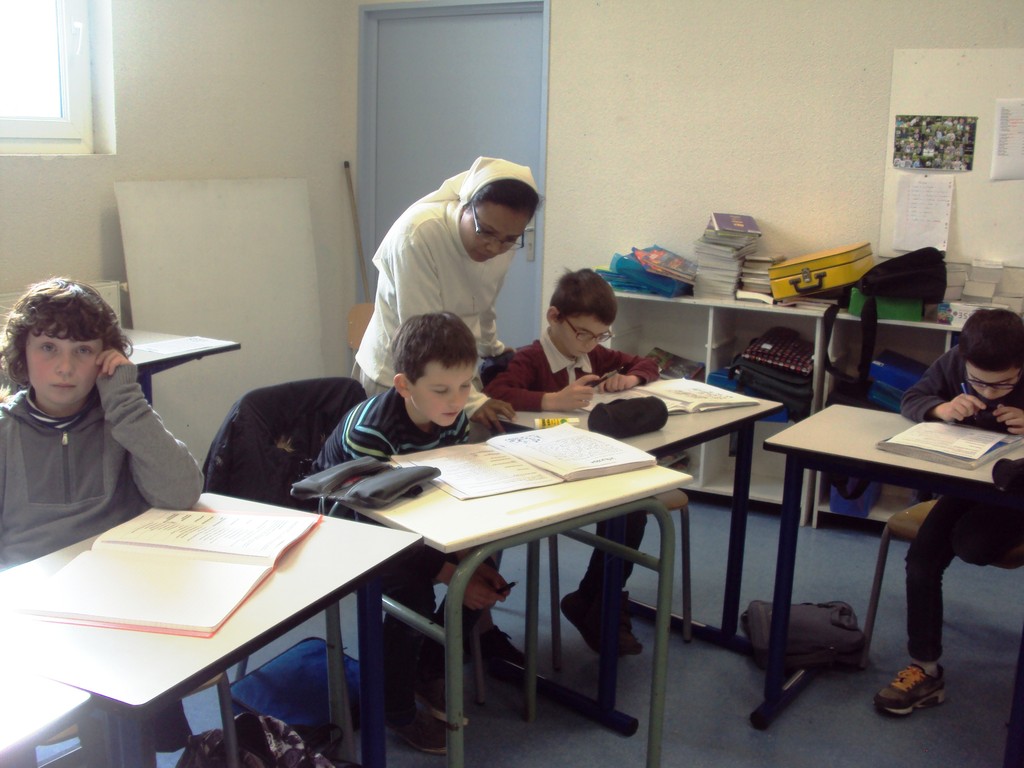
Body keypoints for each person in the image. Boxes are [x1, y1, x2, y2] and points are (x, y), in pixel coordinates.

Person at [0, 277, 205, 752]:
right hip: (33, 616)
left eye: (83, 351)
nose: (65, 367)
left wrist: (126, 403)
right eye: (48, 348)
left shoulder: (121, 419)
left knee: (125, 723)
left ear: (105, 358)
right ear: (22, 355)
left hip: (120, 606)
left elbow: (182, 492)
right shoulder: (6, 434)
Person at [315, 312, 516, 755]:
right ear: (404, 385)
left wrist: (466, 563)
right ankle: (397, 708)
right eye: (441, 390)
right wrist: (449, 571)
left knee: (483, 562)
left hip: (414, 513)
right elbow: (374, 526)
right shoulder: (370, 433)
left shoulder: (452, 417)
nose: (457, 400)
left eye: (465, 386)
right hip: (350, 527)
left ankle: (427, 667)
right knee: (415, 596)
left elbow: (449, 489)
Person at [484, 268, 660, 655]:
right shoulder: (530, 359)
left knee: (635, 507)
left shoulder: (592, 354)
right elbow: (496, 392)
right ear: (554, 317)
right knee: (629, 508)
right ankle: (600, 604)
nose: (591, 344)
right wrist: (551, 400)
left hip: (585, 463)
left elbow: (646, 362)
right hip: (540, 472)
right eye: (583, 333)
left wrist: (630, 380)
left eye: (600, 336)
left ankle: (597, 599)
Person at [874, 308, 1024, 716]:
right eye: (979, 382)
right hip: (967, 485)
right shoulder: (956, 359)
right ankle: (925, 668)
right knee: (921, 560)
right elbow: (912, 398)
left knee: (973, 546)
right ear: (965, 359)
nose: (990, 393)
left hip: (1017, 493)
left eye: (1004, 384)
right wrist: (941, 410)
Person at [353, 156, 542, 432]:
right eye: (485, 232)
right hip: (401, 377)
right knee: (402, 457)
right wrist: (473, 402)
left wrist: (493, 349)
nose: (493, 247)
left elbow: (484, 303)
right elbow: (422, 333)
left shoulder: (501, 241)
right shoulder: (418, 234)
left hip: (455, 375)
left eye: (509, 239)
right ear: (465, 205)